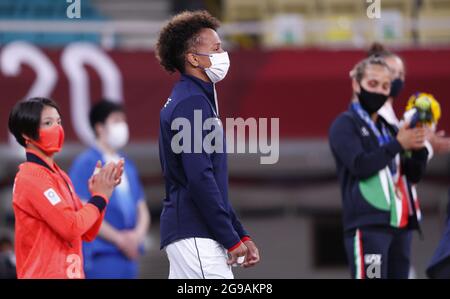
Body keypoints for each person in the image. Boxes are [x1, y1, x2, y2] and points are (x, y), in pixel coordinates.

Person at [155, 10, 260, 278]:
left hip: (192, 232)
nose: (223, 54)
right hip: (196, 233)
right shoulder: (191, 103)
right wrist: (230, 238)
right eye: (216, 48)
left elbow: (210, 180)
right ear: (192, 58)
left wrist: (239, 232)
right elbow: (199, 177)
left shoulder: (194, 99)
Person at [329, 56, 428, 279]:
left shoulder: (390, 129)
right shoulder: (345, 124)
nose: (379, 92)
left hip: (400, 225)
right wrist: (399, 144)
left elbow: (413, 174)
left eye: (385, 86)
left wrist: (418, 145)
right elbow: (360, 165)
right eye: (372, 84)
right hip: (368, 226)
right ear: (356, 84)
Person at [8, 97, 123, 279]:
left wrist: (101, 193)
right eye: (48, 123)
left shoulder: (60, 175)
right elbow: (71, 227)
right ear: (26, 135)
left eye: (58, 122)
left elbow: (87, 231)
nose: (57, 128)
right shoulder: (30, 177)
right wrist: (99, 197)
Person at [69, 100, 150, 279]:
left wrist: (137, 236)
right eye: (116, 120)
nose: (122, 125)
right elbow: (81, 208)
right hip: (102, 254)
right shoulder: (86, 162)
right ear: (100, 127)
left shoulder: (127, 165)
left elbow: (141, 207)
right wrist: (118, 239)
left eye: (123, 120)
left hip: (129, 254)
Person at [368, 42, 450, 156]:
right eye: (392, 72)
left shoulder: (389, 112)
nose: (397, 78)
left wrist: (422, 136)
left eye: (401, 74)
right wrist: (427, 143)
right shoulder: (375, 111)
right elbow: (390, 152)